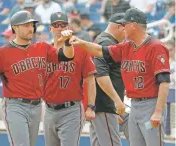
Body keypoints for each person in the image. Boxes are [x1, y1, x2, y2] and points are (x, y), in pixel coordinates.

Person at [70, 8, 170, 146]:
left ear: (134, 25)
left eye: (125, 25)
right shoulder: (127, 45)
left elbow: (164, 82)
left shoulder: (156, 46)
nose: (122, 28)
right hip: (134, 105)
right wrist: (80, 42)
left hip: (151, 105)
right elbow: (100, 51)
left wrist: (158, 112)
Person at [0, 10, 74, 146]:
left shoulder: (43, 47)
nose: (31, 28)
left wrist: (68, 43)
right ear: (15, 28)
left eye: (32, 25)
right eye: (26, 25)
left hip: (36, 106)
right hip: (15, 105)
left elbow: (67, 56)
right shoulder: (2, 52)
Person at [43, 12, 97, 146]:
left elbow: (90, 80)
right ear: (50, 28)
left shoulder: (80, 50)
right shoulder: (45, 51)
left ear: (69, 27)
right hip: (49, 110)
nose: (60, 28)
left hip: (71, 109)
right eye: (56, 25)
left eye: (63, 25)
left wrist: (90, 106)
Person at [90, 13, 127, 146]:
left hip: (100, 104)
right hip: (105, 104)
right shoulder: (106, 42)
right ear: (119, 27)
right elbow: (101, 76)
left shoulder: (103, 40)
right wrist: (117, 102)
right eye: (125, 28)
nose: (126, 33)